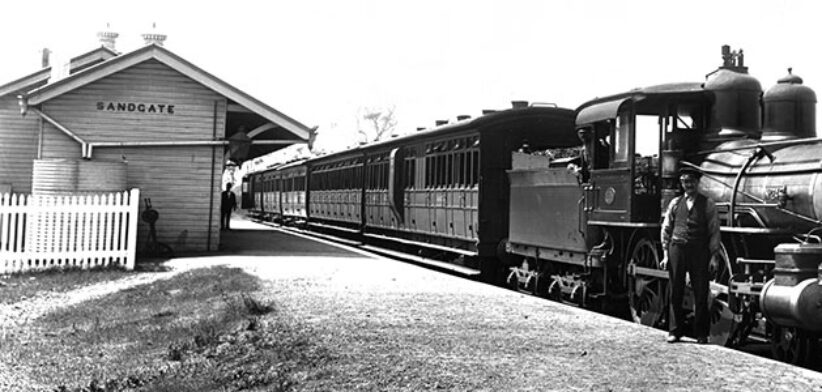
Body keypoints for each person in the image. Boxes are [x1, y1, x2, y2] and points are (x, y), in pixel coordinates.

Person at [659, 166, 720, 344]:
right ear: (681, 183)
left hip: (699, 251)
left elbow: (714, 231)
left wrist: (714, 255)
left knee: (701, 292)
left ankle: (702, 334)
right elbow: (666, 228)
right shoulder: (675, 203)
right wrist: (665, 253)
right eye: (685, 182)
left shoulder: (708, 204)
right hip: (676, 248)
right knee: (675, 290)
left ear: (697, 182)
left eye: (691, 181)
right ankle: (674, 331)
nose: (688, 185)